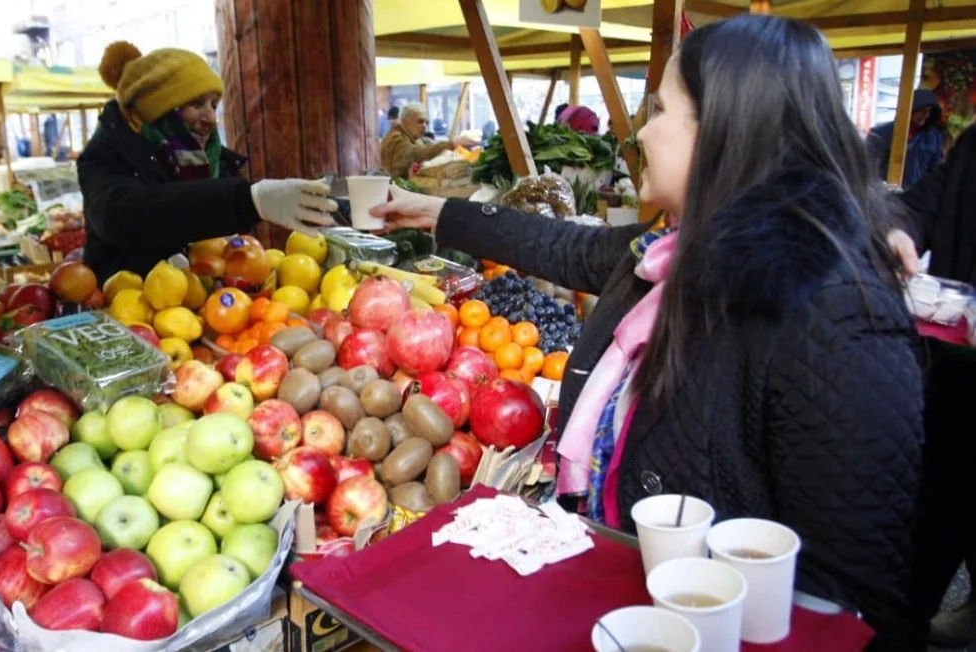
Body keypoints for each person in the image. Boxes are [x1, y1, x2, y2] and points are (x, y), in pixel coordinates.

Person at [371, 15, 922, 648]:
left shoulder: (835, 314)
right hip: (621, 599)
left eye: (660, 110)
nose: (640, 132)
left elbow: (852, 602)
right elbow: (569, 247)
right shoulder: (677, 250)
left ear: (723, 130)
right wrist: (438, 212)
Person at [78, 42, 336, 281]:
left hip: (208, 306)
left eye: (213, 105)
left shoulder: (213, 160)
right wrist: (246, 200)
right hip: (123, 306)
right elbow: (131, 216)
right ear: (157, 107)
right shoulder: (104, 157)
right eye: (197, 104)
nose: (211, 119)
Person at [893, 125, 976, 648]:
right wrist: (894, 228)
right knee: (929, 530)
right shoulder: (973, 148)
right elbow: (914, 207)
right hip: (960, 387)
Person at [867, 89, 946, 188]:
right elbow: (869, 168)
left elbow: (935, 169)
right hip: (887, 193)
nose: (926, 115)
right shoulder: (881, 133)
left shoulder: (933, 137)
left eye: (929, 111)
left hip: (918, 193)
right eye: (922, 111)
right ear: (911, 109)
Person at [379, 102, 477, 179]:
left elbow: (424, 147)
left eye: (427, 122)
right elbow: (414, 154)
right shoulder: (395, 137)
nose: (424, 126)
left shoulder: (414, 137)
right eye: (420, 121)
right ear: (406, 121)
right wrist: (452, 144)